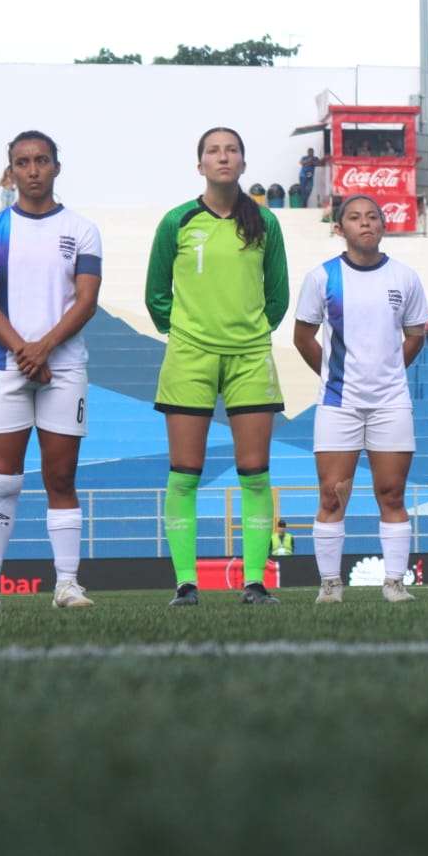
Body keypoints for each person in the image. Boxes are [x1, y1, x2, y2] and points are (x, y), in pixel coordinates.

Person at [146, 126, 290, 606]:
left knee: (255, 473)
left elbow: (278, 296)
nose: (223, 157)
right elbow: (156, 295)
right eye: (213, 150)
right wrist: (189, 333)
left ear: (244, 164)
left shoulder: (266, 223)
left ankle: (254, 582)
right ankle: (186, 584)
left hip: (251, 357)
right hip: (190, 355)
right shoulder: (177, 221)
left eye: (231, 150)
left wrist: (248, 332)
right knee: (184, 472)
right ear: (200, 164)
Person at [0, 131, 101, 609]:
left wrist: (44, 349)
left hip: (65, 369)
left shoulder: (82, 229)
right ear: (10, 172)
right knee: (3, 481)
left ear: (56, 167)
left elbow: (87, 301)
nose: (32, 170)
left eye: (41, 161)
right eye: (23, 162)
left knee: (61, 479)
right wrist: (24, 353)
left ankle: (67, 585)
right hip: (5, 366)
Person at [294, 193, 428, 604]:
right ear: (340, 229)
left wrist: (388, 372)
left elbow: (416, 334)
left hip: (391, 403)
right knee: (332, 494)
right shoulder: (322, 278)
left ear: (384, 227)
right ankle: (330, 585)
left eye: (373, 216)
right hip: (339, 403)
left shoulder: (404, 278)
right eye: (354, 217)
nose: (365, 223)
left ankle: (395, 583)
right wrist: (337, 377)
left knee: (392, 494)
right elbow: (302, 337)